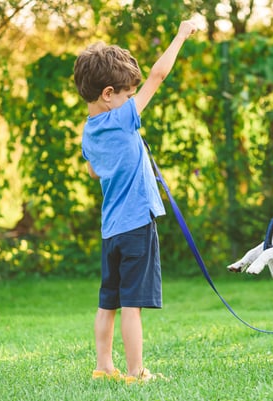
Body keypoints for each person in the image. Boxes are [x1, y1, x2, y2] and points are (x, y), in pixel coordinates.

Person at [73, 20, 197, 383]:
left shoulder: (89, 130)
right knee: (132, 305)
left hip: (111, 229)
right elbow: (158, 75)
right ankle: (135, 371)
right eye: (129, 95)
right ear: (108, 94)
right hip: (137, 226)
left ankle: (103, 367)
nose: (133, 100)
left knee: (106, 302)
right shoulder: (123, 117)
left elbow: (95, 171)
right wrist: (181, 34)